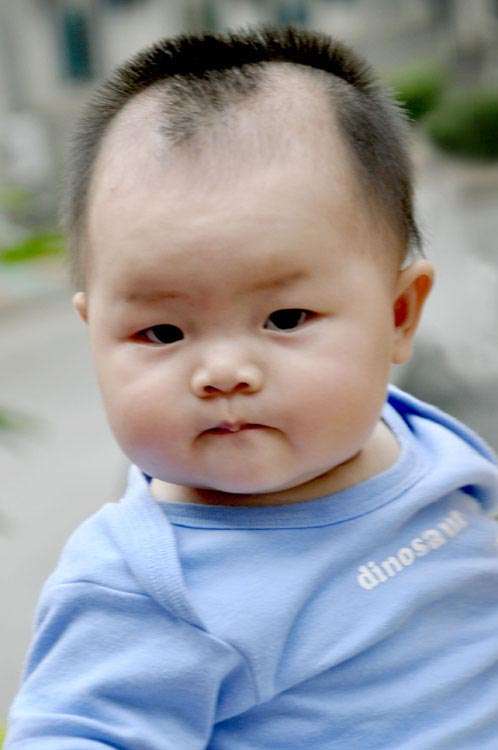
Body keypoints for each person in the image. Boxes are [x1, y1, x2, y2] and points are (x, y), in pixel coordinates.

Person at [5, 25, 498, 749]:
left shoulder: (426, 441)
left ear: (397, 316)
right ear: (95, 334)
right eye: (162, 332)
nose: (223, 372)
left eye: (285, 319)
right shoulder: (145, 585)